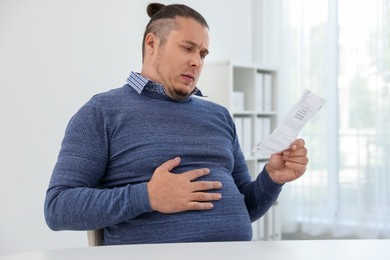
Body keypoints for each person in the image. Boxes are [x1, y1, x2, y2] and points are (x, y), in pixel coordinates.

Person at [44, 3, 308, 245]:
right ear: (152, 44)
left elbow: (245, 207)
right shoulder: (102, 112)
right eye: (187, 48)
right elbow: (58, 208)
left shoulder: (219, 116)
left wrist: (272, 179)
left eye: (203, 53)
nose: (197, 61)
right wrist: (148, 196)